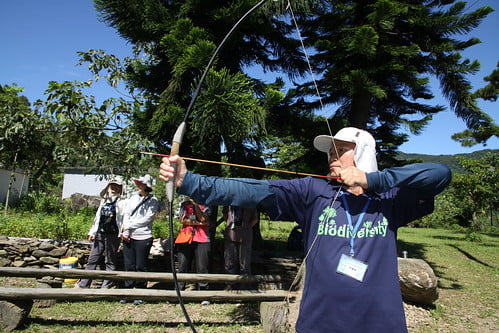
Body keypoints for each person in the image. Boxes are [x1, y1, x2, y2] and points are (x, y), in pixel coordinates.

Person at [159, 127, 452, 333]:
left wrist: (373, 180)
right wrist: (190, 181)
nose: (332, 156)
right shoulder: (314, 190)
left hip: (379, 323)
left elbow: (440, 175)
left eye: (341, 150)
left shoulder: (391, 199)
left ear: (363, 153)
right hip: (320, 322)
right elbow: (250, 190)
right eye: (330, 151)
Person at [76, 177, 125, 289]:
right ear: (108, 186)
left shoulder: (122, 202)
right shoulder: (104, 200)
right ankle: (84, 284)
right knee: (92, 259)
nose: (114, 188)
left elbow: (123, 219)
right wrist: (92, 231)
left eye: (117, 186)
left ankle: (106, 285)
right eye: (112, 185)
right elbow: (98, 217)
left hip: (113, 235)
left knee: (110, 260)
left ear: (121, 188)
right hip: (100, 234)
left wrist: (123, 231)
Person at [120, 174, 159, 305]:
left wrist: (129, 226)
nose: (138, 186)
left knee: (141, 265)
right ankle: (128, 291)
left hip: (144, 236)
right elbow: (127, 214)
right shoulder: (132, 198)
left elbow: (147, 219)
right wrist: (125, 230)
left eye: (140, 184)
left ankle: (140, 292)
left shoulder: (153, 201)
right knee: (129, 265)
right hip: (129, 235)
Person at [174, 197, 212, 294]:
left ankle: (203, 291)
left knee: (202, 267)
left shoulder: (206, 204)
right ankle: (179, 290)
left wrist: (196, 206)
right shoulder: (184, 205)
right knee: (182, 265)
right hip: (185, 237)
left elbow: (204, 218)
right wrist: (199, 223)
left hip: (202, 239)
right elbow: (182, 220)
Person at [221, 206, 258, 289]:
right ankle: (230, 286)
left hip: (245, 236)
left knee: (244, 264)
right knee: (229, 262)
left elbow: (255, 219)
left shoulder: (250, 203)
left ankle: (245, 288)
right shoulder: (229, 203)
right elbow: (225, 215)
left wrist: (246, 228)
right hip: (231, 235)